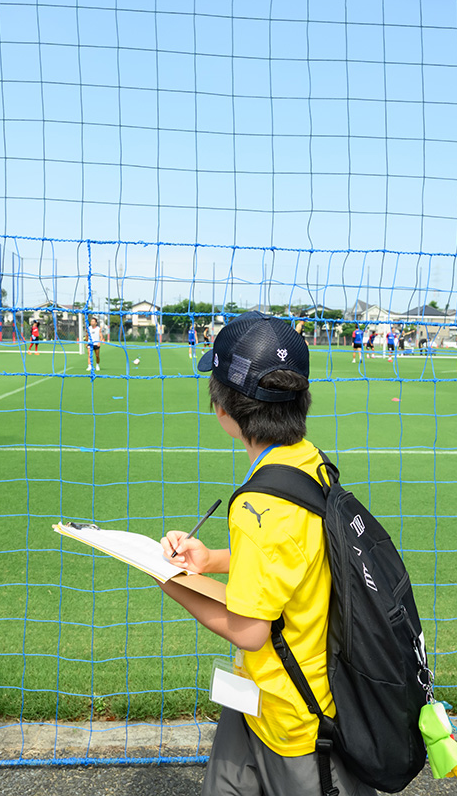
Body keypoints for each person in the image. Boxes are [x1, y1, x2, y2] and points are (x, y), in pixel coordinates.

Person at [159, 312, 375, 796]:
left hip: (290, 715)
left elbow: (250, 631)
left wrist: (168, 581)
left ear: (222, 407)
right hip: (264, 694)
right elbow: (293, 554)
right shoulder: (307, 462)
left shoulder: (259, 502)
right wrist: (210, 559)